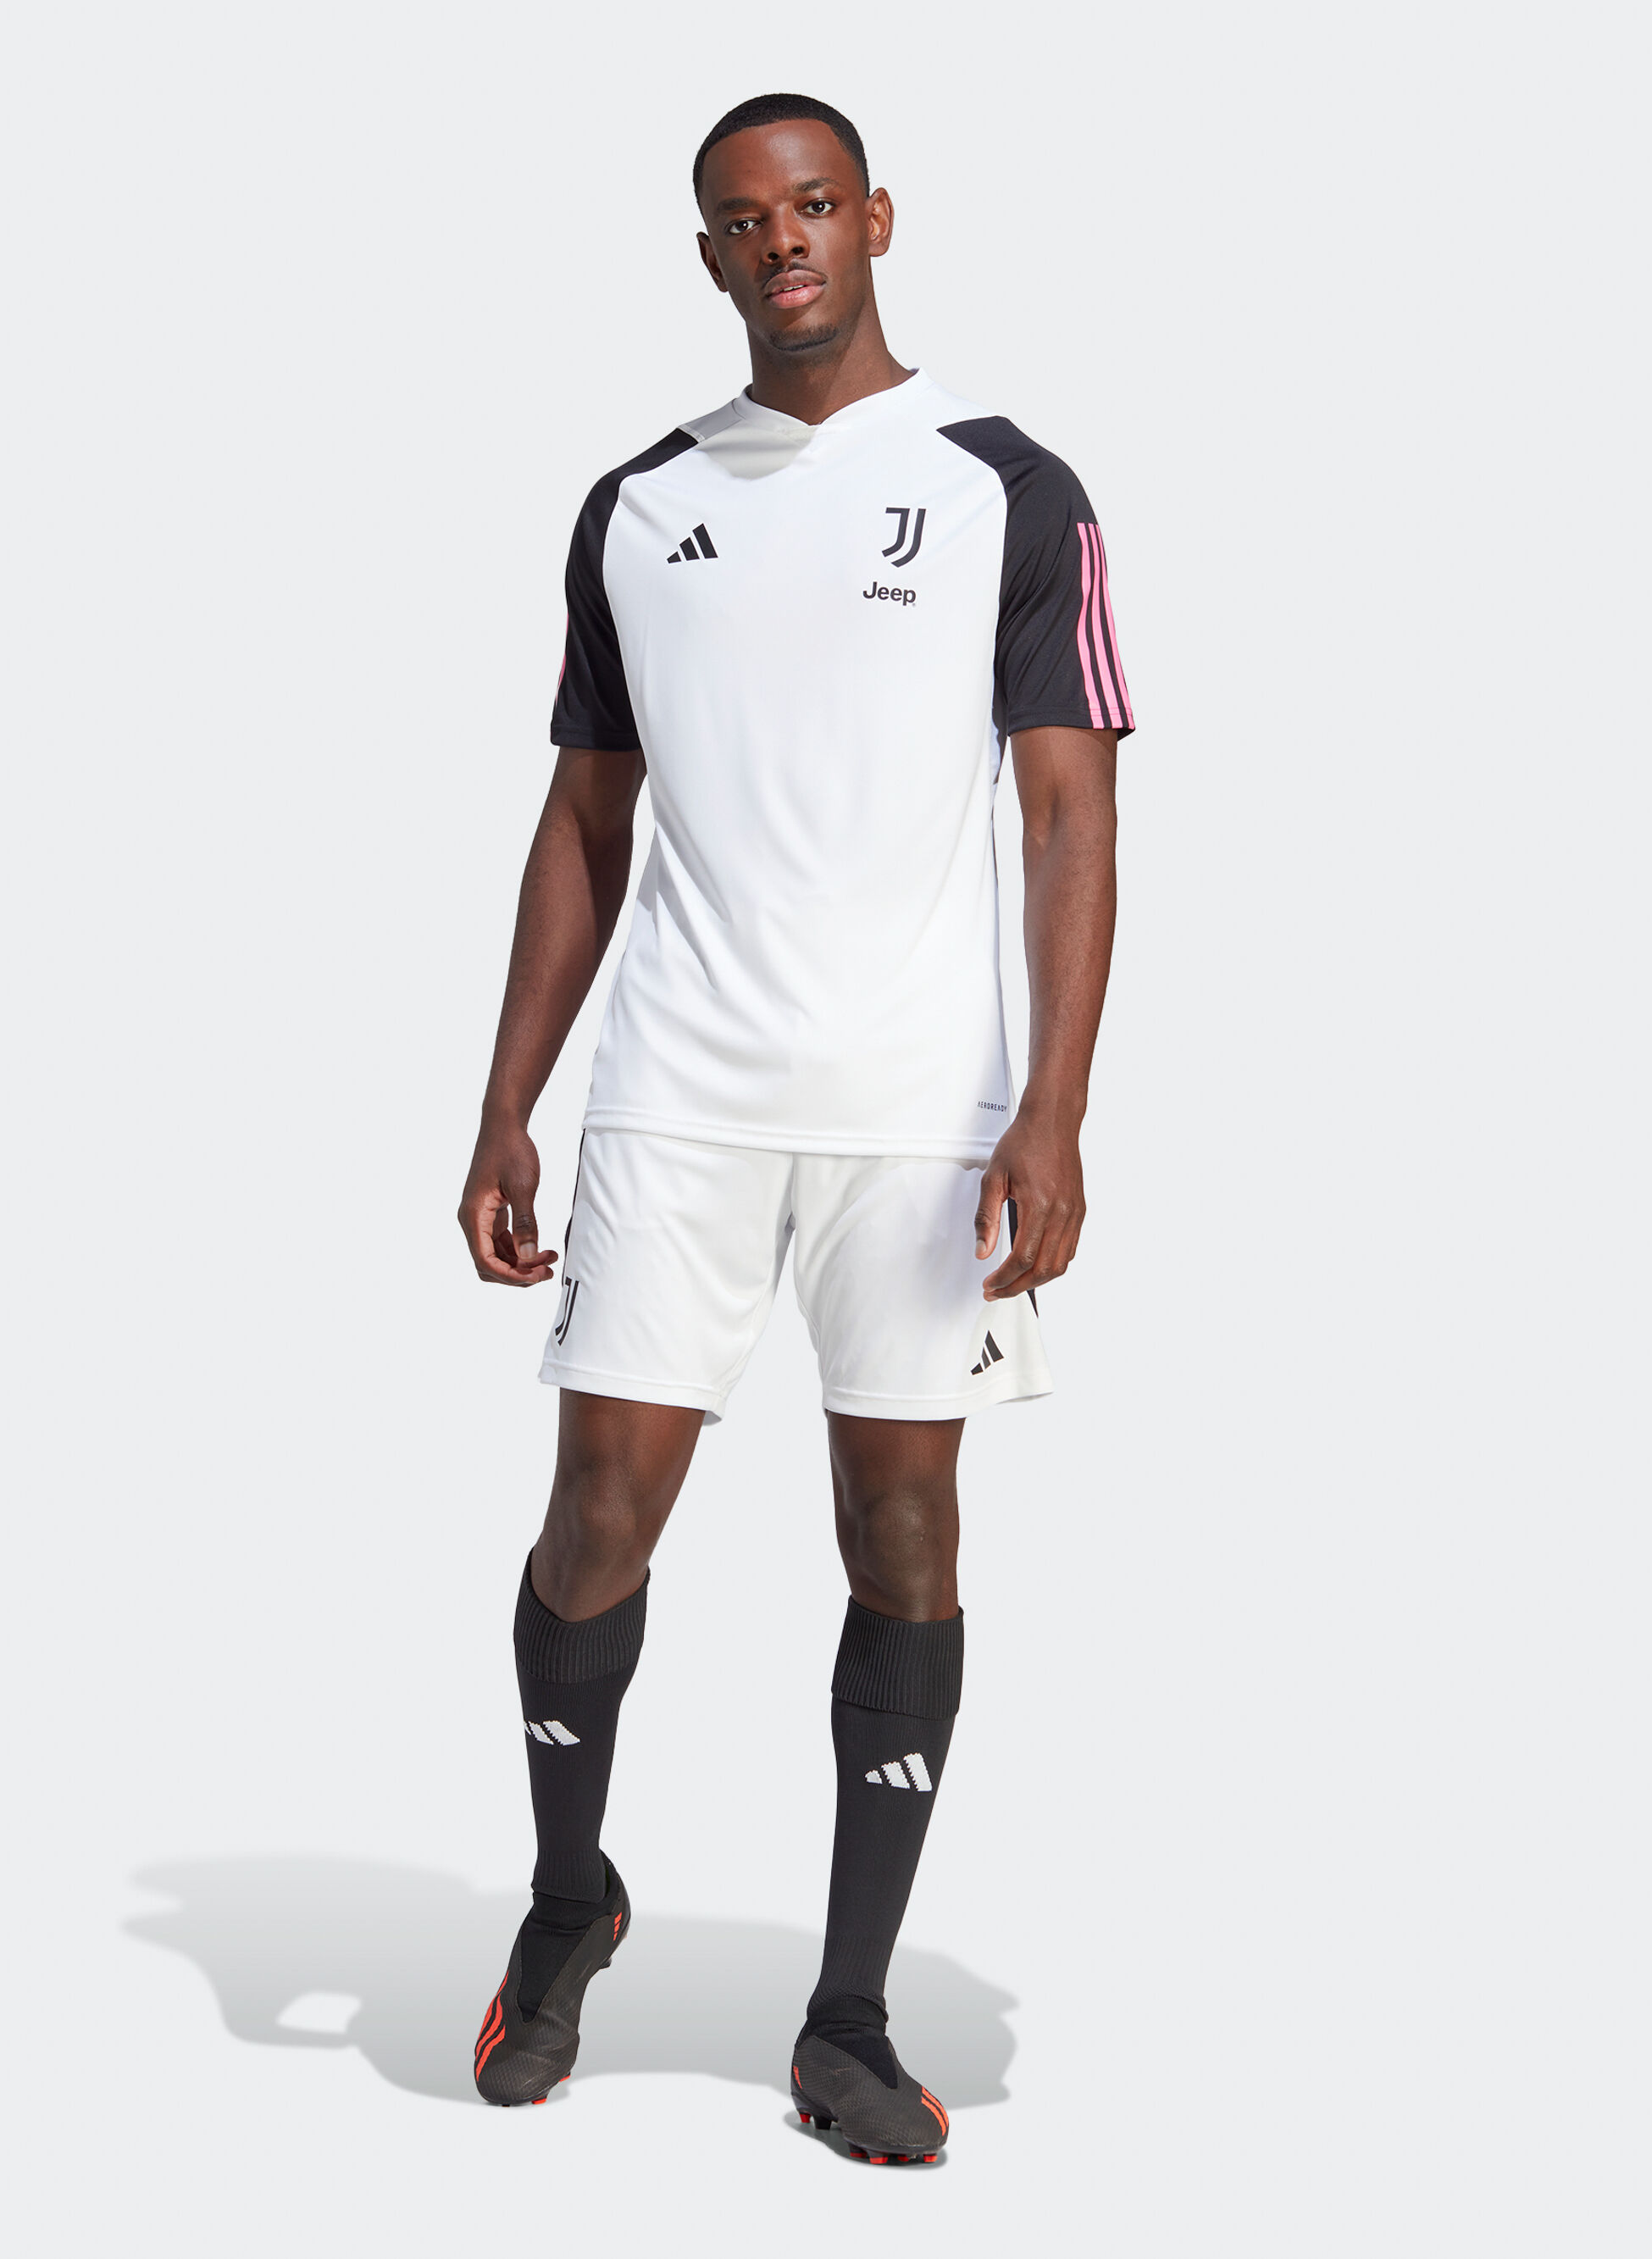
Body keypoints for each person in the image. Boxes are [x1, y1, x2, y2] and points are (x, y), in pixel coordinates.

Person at [458, 90, 1132, 2162]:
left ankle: (847, 2016)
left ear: (877, 219)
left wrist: (1056, 1106)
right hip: (678, 1089)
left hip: (922, 1112)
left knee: (903, 1531)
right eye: (746, 221)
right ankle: (567, 1900)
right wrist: (506, 1100)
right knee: (598, 1511)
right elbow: (589, 817)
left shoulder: (1008, 487)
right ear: (710, 257)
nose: (785, 243)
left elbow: (1070, 807)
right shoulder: (639, 505)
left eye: (815, 204)